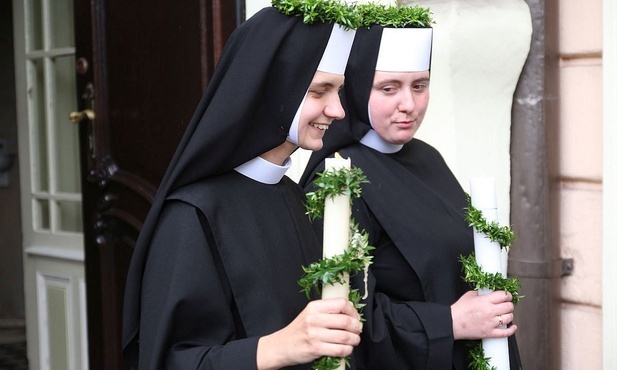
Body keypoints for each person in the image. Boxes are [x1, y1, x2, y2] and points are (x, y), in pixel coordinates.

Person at [121, 3, 365, 369]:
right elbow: (169, 360)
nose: (338, 110)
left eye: (339, 91)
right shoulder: (193, 214)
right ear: (273, 89)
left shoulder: (296, 198)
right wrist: (280, 347)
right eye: (320, 91)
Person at [300, 19, 523, 369]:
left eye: (419, 85)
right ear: (357, 89)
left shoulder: (426, 157)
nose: (409, 104)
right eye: (389, 88)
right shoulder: (337, 181)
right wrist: (451, 322)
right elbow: (348, 316)